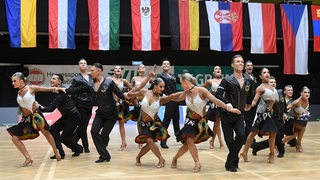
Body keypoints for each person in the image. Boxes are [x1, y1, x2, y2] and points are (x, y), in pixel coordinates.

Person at [170, 73, 241, 173]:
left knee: (188, 143)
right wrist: (163, 98)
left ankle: (176, 158)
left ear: (186, 81)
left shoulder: (201, 90)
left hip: (201, 122)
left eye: (181, 83)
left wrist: (228, 108)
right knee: (189, 142)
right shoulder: (185, 93)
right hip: (189, 121)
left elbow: (215, 100)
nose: (181, 85)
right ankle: (196, 162)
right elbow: (176, 98)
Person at [126, 76, 183, 168]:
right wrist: (126, 95)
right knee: (149, 141)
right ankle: (158, 158)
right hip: (143, 124)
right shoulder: (144, 92)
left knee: (149, 143)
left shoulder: (161, 98)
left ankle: (141, 157)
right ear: (155, 86)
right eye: (160, 86)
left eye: (163, 87)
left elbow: (173, 96)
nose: (163, 89)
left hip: (154, 124)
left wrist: (186, 92)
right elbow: (131, 94)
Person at [7, 72, 62, 167]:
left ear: (21, 81)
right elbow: (24, 103)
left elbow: (47, 89)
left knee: (46, 133)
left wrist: (58, 88)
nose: (13, 83)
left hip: (36, 116)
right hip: (26, 120)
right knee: (14, 138)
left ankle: (56, 151)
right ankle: (28, 158)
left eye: (14, 81)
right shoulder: (18, 92)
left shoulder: (31, 88)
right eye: (12, 81)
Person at [215, 55, 255, 172]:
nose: (241, 64)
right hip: (226, 115)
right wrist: (227, 103)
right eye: (238, 62)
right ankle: (233, 163)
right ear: (232, 65)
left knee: (241, 135)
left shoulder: (249, 81)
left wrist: (248, 104)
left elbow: (250, 95)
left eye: (242, 62)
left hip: (240, 114)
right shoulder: (227, 80)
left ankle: (230, 160)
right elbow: (218, 95)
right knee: (230, 141)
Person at [89, 63, 127, 163]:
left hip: (111, 114)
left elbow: (119, 93)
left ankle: (103, 156)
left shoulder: (109, 82)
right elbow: (79, 89)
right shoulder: (91, 82)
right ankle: (105, 155)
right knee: (94, 131)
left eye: (92, 70)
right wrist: (66, 90)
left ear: (99, 71)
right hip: (100, 113)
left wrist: (128, 97)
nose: (90, 72)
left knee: (104, 136)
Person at [39, 74, 83, 159]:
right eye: (51, 78)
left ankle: (79, 148)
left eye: (54, 79)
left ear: (59, 82)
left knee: (64, 138)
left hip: (73, 116)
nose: (51, 80)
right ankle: (60, 153)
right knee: (53, 130)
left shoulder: (62, 93)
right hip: (66, 116)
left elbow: (51, 109)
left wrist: (38, 108)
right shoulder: (57, 91)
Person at [240, 68, 279, 163]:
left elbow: (275, 101)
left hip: (269, 115)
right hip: (261, 114)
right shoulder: (260, 88)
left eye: (268, 72)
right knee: (253, 132)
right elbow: (254, 100)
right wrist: (249, 106)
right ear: (261, 76)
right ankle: (244, 151)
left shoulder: (273, 88)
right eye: (264, 72)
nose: (267, 74)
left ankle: (271, 154)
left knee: (273, 133)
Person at [251, 76, 285, 158]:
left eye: (274, 82)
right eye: (271, 82)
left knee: (279, 136)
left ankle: (257, 146)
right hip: (271, 117)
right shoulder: (265, 94)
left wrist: (285, 113)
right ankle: (280, 151)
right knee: (276, 135)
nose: (273, 84)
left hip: (280, 118)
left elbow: (284, 104)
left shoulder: (279, 92)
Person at [68, 59, 94, 153]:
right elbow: (72, 90)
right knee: (83, 126)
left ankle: (73, 142)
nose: (83, 64)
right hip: (80, 104)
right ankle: (85, 147)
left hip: (90, 104)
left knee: (84, 125)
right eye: (81, 63)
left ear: (87, 66)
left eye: (85, 63)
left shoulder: (91, 77)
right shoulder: (77, 78)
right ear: (78, 66)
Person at [157, 58, 181, 149]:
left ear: (170, 66)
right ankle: (163, 140)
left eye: (168, 64)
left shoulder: (173, 76)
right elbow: (156, 86)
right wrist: (162, 94)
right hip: (168, 100)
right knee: (166, 121)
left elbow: (181, 82)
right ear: (162, 66)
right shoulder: (160, 76)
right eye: (164, 64)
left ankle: (179, 137)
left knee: (176, 120)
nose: (166, 65)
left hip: (176, 100)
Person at [108, 65, 133, 151]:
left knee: (121, 124)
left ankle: (124, 142)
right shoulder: (109, 79)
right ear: (113, 71)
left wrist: (127, 95)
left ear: (121, 71)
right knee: (107, 124)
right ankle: (104, 141)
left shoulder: (124, 81)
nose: (118, 69)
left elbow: (132, 89)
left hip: (120, 104)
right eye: (116, 68)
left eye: (119, 68)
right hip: (110, 104)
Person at [202, 66, 224, 149]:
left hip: (221, 103)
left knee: (217, 123)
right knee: (217, 123)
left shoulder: (224, 81)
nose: (218, 70)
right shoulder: (210, 81)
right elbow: (201, 88)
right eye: (216, 69)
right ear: (213, 72)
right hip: (213, 104)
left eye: (219, 69)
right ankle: (217, 141)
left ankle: (214, 141)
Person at [282, 86, 310, 152]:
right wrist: (284, 114)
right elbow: (286, 108)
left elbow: (302, 111)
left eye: (308, 92)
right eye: (305, 92)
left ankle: (297, 144)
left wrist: (305, 112)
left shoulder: (307, 100)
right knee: (302, 128)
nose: (307, 94)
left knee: (296, 132)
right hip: (289, 121)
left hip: (296, 121)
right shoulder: (297, 102)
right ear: (301, 93)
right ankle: (298, 144)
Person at [130, 64, 152, 149]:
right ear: (138, 70)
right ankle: (140, 138)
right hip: (138, 101)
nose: (142, 68)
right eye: (141, 67)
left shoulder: (149, 78)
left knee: (147, 119)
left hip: (147, 101)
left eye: (144, 67)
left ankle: (149, 137)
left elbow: (153, 88)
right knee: (139, 120)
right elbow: (131, 89)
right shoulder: (134, 78)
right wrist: (134, 97)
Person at [243, 60, 258, 142]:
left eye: (251, 65)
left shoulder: (254, 77)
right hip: (246, 103)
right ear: (245, 67)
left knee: (251, 121)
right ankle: (249, 139)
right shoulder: (244, 77)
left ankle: (246, 138)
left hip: (254, 103)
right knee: (247, 121)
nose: (250, 67)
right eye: (248, 65)